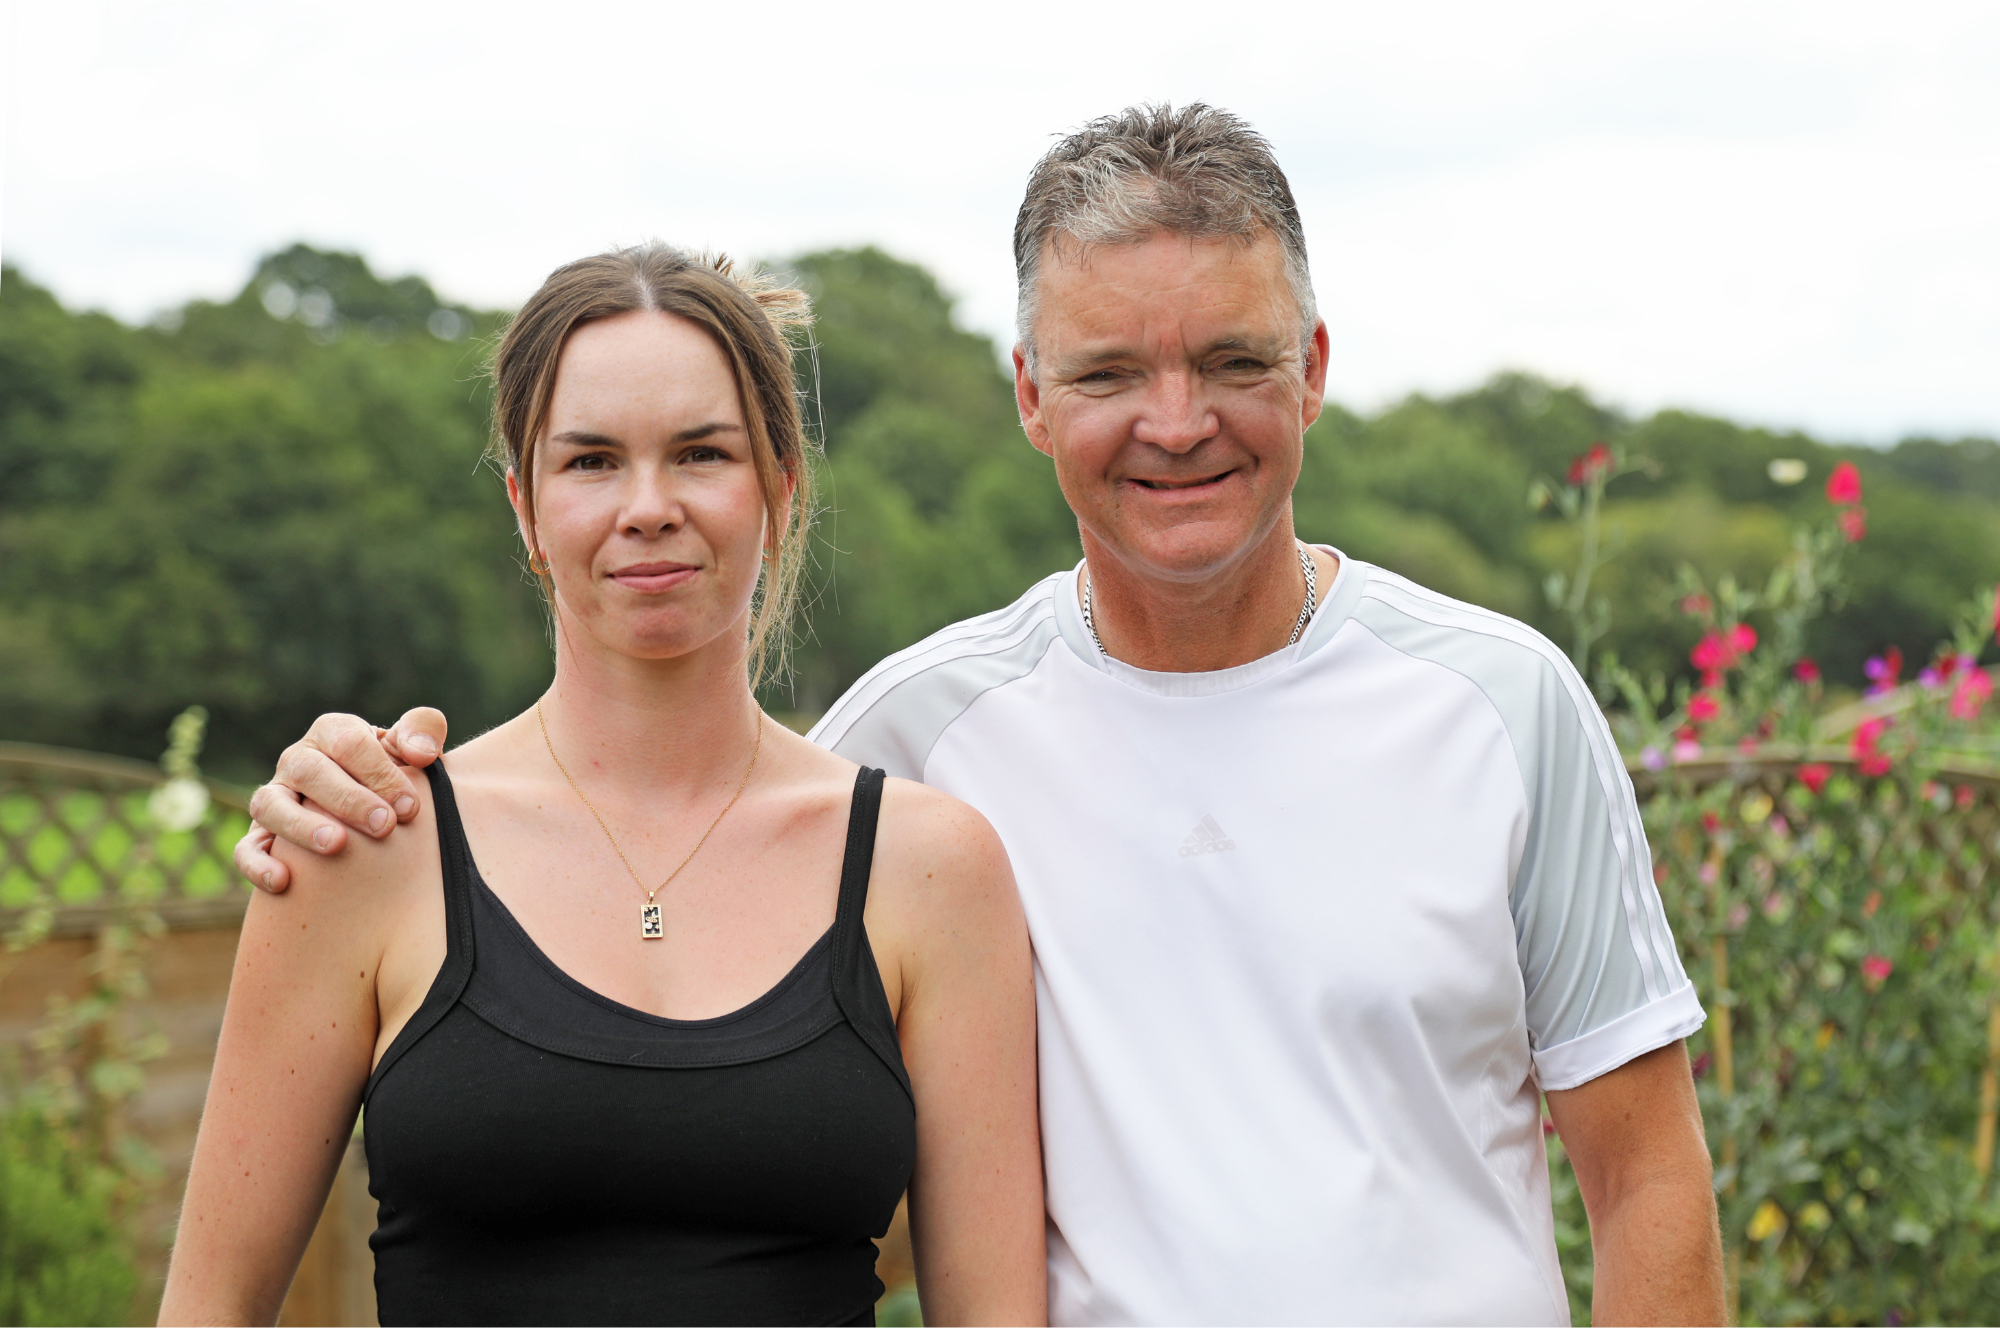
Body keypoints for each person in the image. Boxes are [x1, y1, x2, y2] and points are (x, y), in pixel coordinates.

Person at [236, 106, 1725, 1325]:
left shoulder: (1504, 705)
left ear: (1316, 369)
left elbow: (1649, 1179)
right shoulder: (916, 742)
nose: (1177, 420)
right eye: (1107, 372)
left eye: (1234, 360)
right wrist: (353, 787)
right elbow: (680, 968)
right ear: (1026, 393)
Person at [163, 245, 1045, 1327]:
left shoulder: (927, 869)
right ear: (525, 510)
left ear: (778, 486)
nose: (648, 505)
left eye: (700, 453)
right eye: (589, 461)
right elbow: (208, 1309)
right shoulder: (367, 841)